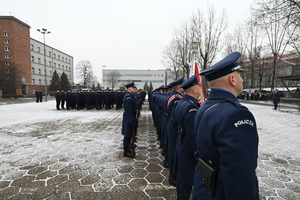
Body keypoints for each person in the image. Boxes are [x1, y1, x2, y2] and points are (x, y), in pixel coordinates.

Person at [193, 52, 259, 200]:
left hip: (203, 188)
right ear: (232, 79)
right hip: (221, 192)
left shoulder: (205, 107)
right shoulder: (237, 115)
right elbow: (240, 177)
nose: (242, 79)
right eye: (239, 75)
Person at [174, 74, 201, 200]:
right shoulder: (190, 106)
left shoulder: (183, 101)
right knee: (186, 179)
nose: (201, 88)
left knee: (182, 176)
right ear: (194, 90)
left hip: (181, 142)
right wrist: (198, 154)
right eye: (199, 86)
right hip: (188, 146)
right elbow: (193, 134)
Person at [121, 82, 138, 157]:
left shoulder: (130, 96)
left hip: (131, 116)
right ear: (129, 88)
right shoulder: (128, 97)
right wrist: (131, 119)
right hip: (129, 117)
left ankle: (128, 146)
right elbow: (128, 110)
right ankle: (126, 150)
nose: (134, 89)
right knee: (127, 134)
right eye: (133, 87)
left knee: (130, 133)